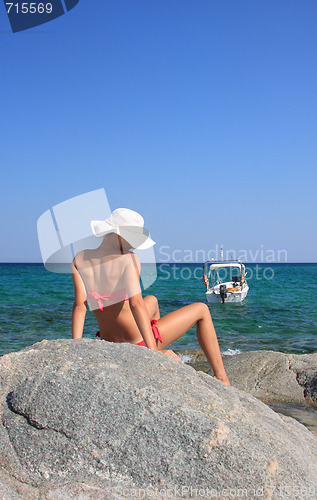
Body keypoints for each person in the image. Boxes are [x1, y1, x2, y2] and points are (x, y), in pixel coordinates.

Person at [71, 208, 230, 386]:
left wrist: (76, 348)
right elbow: (136, 304)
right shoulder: (128, 260)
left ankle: (156, 344)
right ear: (119, 237)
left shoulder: (80, 258)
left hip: (109, 341)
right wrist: (152, 355)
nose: (133, 246)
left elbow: (80, 307)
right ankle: (221, 377)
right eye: (132, 241)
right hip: (136, 344)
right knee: (202, 310)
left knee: (152, 300)